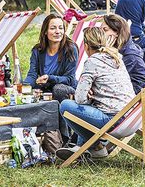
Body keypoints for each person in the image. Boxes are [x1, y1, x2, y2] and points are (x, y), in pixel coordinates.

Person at [56, 27, 135, 160]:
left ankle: (95, 146)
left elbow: (80, 99)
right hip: (130, 117)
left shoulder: (92, 61)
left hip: (113, 120)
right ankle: (82, 146)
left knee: (65, 106)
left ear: (86, 46)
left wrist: (88, 97)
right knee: (91, 106)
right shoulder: (116, 58)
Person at [23, 14, 78, 101]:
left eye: (60, 28)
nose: (57, 31)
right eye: (53, 28)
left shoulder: (70, 49)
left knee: (58, 89)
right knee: (26, 87)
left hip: (65, 89)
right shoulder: (37, 50)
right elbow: (32, 75)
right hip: (46, 89)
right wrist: (24, 86)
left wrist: (50, 78)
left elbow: (70, 79)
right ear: (45, 31)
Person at [102, 14, 145, 94]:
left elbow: (111, 77)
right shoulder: (123, 49)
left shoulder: (129, 55)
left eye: (105, 30)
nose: (101, 33)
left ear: (117, 32)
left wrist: (105, 50)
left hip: (134, 95)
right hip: (126, 90)